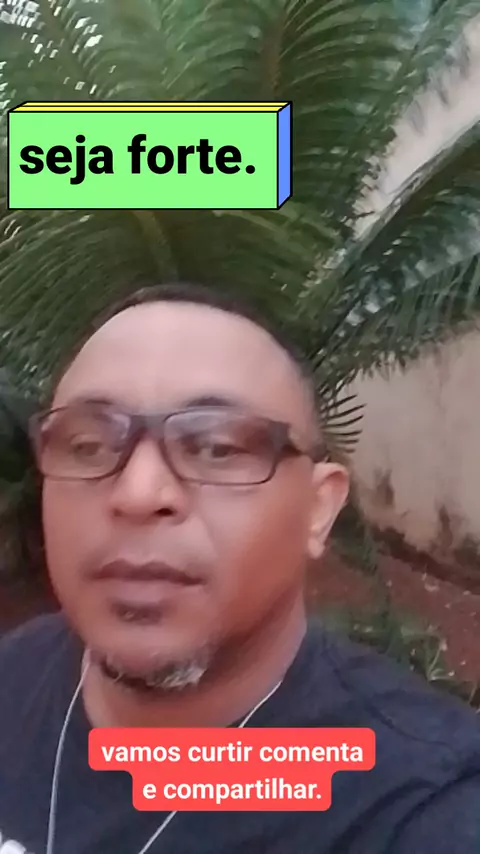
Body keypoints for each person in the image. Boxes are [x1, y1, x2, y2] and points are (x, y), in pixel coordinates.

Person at [0, 283, 479, 854]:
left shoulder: (422, 808)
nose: (138, 492)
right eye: (87, 445)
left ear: (318, 510)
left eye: (218, 448)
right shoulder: (16, 670)